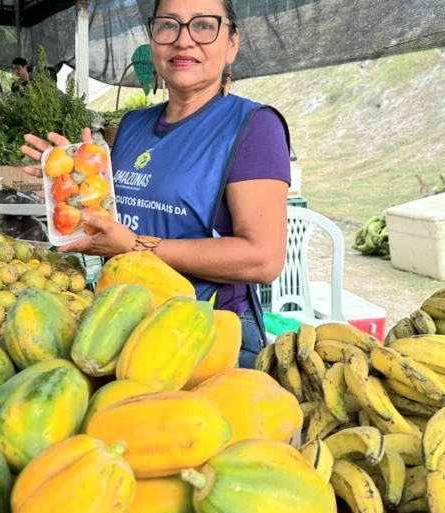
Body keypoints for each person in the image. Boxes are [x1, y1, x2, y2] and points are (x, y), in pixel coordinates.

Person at [21, 0, 290, 368]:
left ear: (231, 43)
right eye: (168, 25)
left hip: (199, 334)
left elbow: (263, 259)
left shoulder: (253, 126)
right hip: (119, 321)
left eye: (204, 26)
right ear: (153, 40)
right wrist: (71, 189)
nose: (183, 40)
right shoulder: (133, 125)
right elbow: (114, 222)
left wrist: (134, 246)